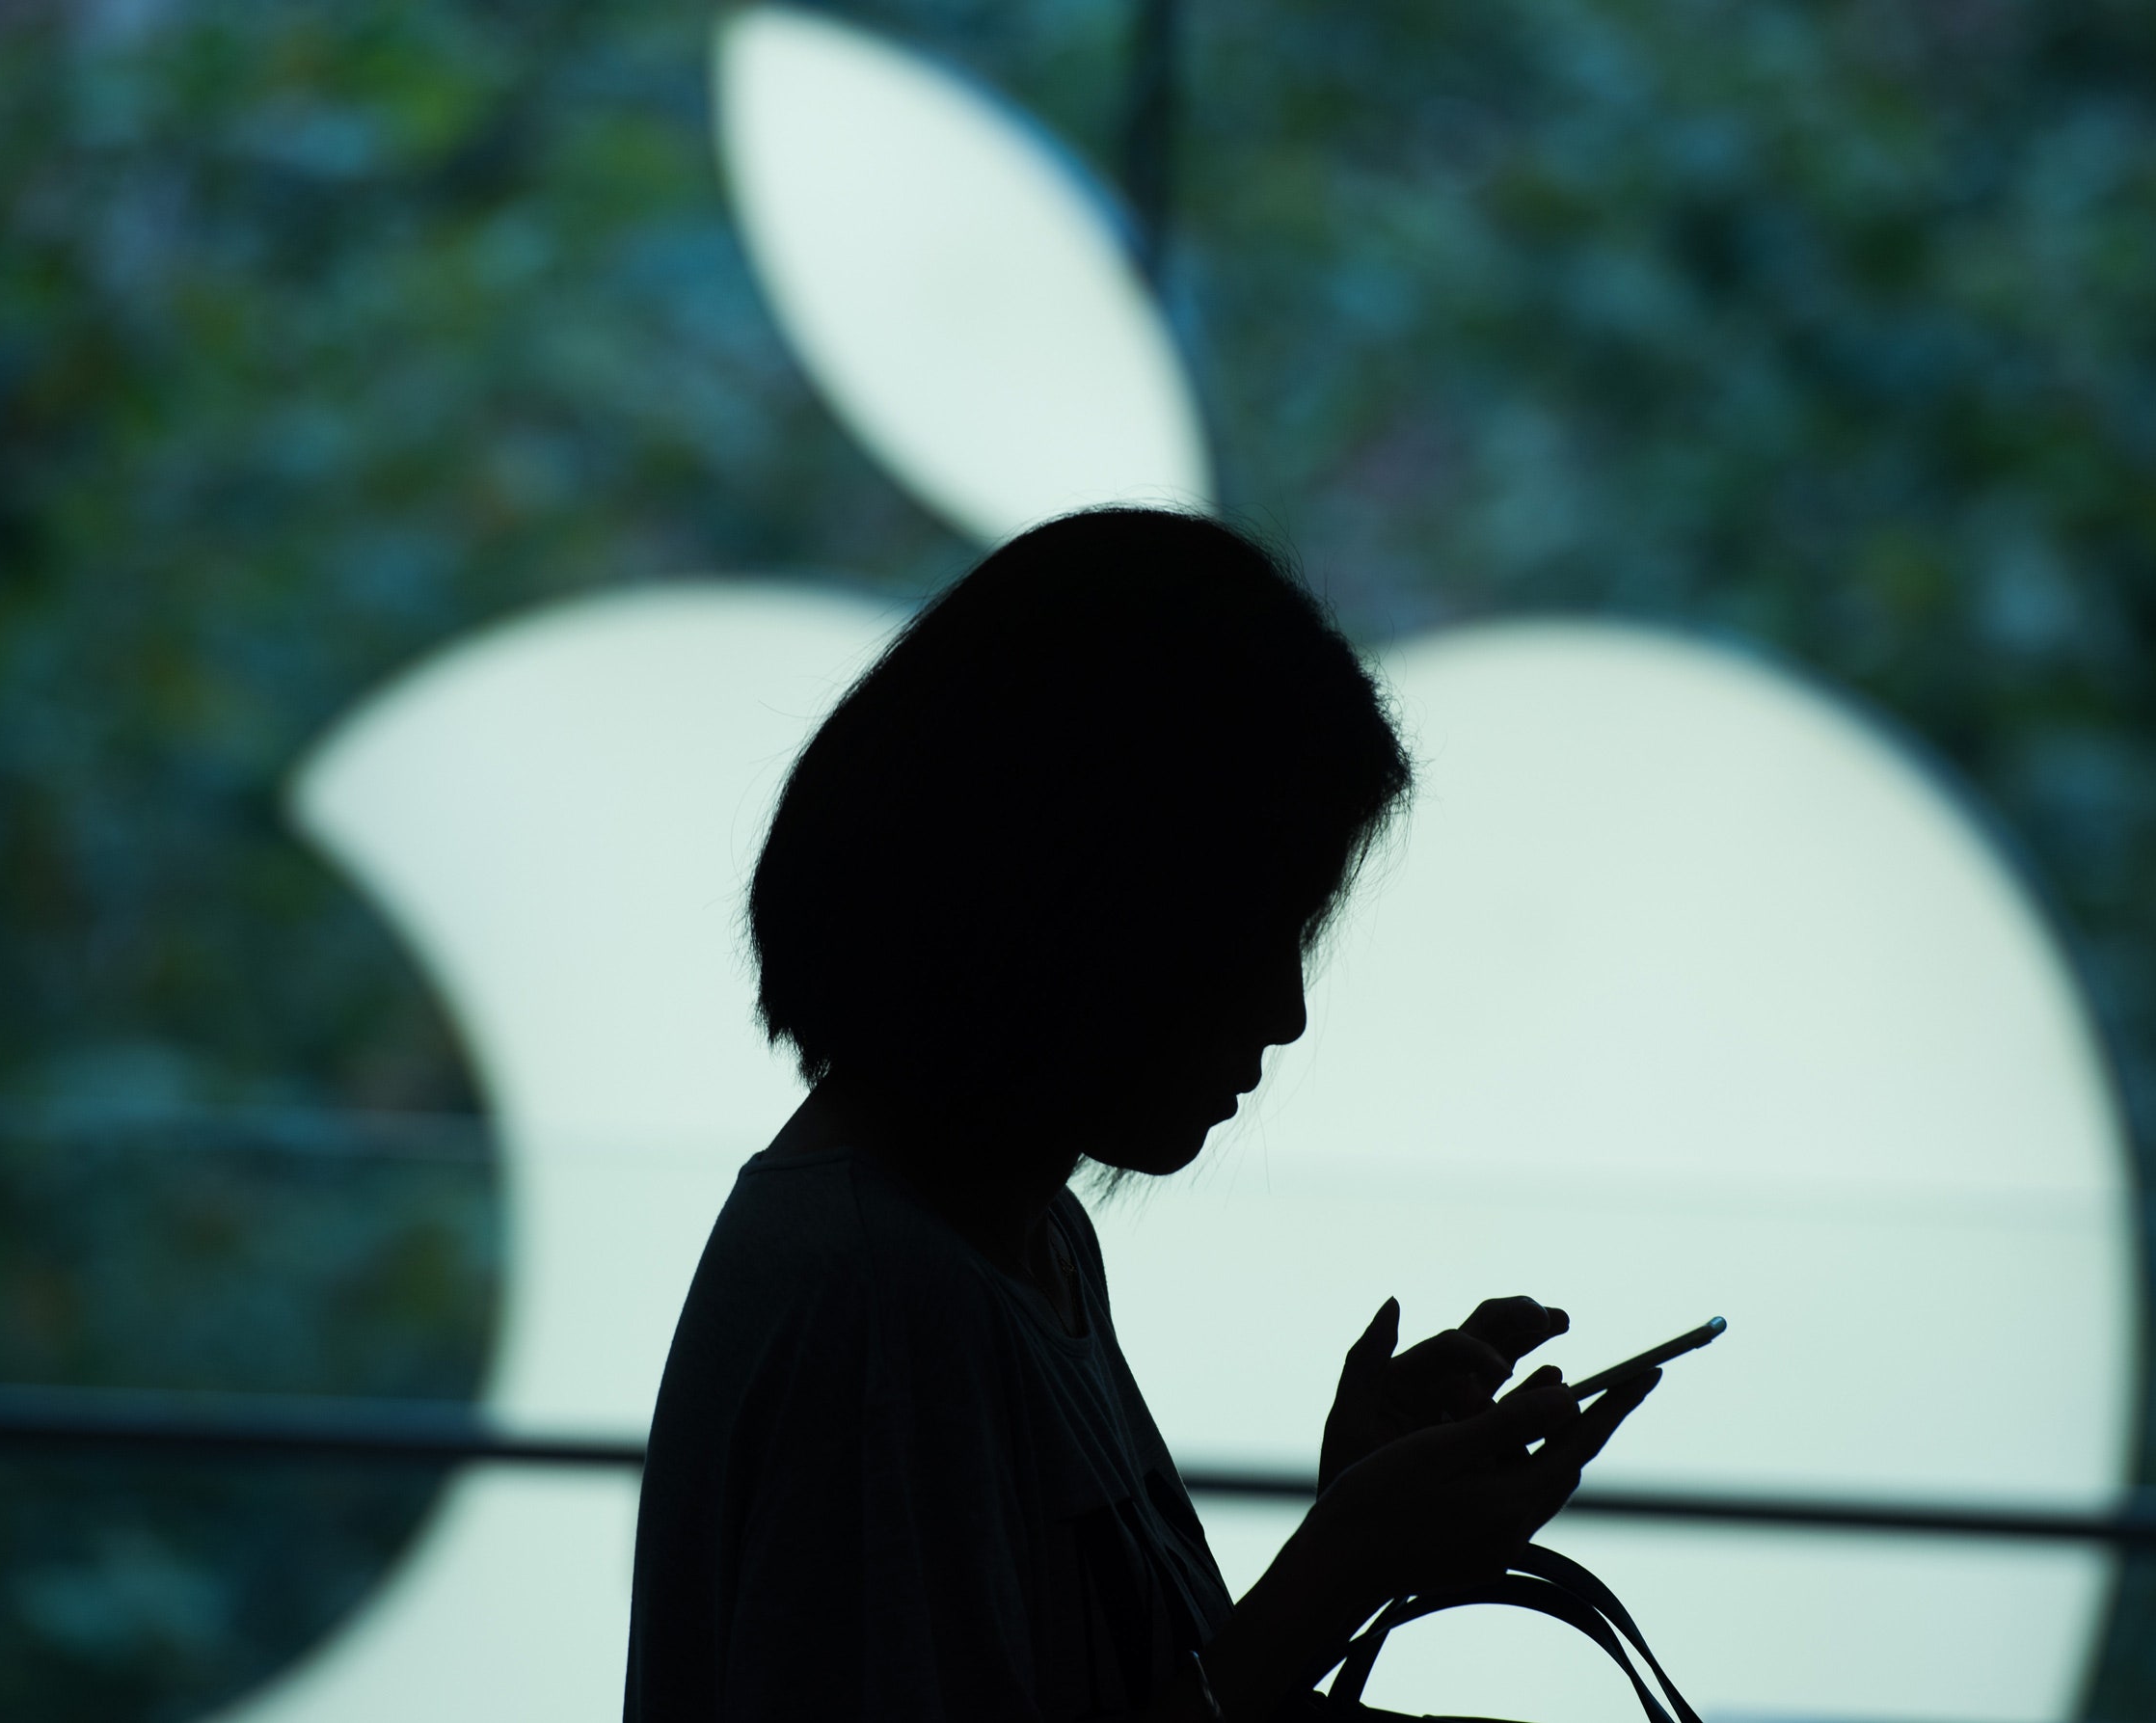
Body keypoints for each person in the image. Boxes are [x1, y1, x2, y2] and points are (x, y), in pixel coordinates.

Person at [623, 509, 1657, 1721]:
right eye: (1245, 934)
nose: (1284, 1014)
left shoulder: (1017, 1238)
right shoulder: (878, 1300)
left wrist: (1354, 1526)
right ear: (1083, 907)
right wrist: (1337, 1569)